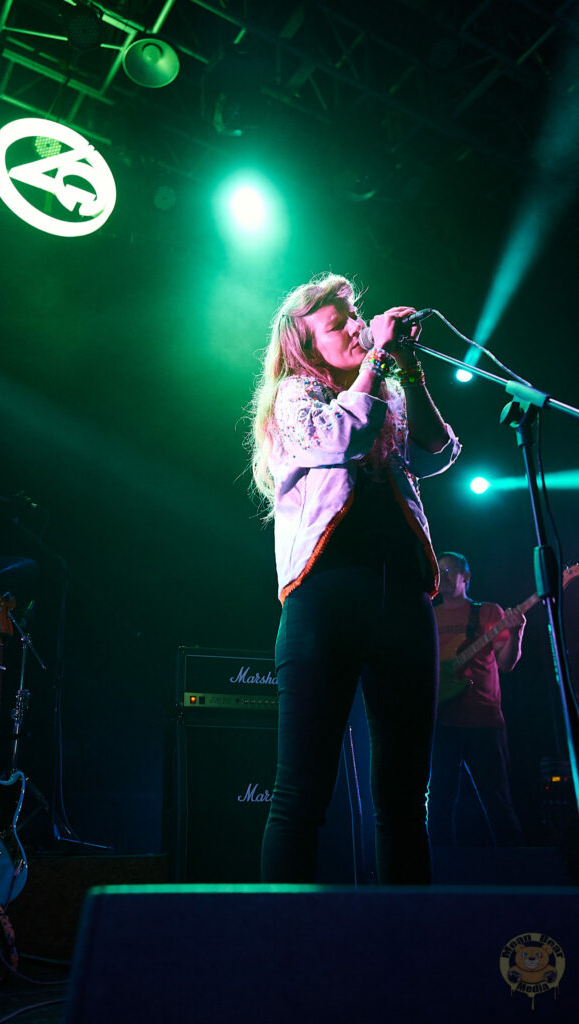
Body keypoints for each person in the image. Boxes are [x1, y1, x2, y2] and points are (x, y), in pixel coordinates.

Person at [249, 272, 461, 884]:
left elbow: (440, 448)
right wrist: (373, 362)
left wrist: (409, 367)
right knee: (301, 796)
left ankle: (405, 952)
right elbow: (337, 437)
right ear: (304, 342)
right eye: (335, 323)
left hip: (402, 599)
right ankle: (283, 951)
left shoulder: (384, 393)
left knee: (404, 802)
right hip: (326, 598)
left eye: (353, 317)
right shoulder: (296, 397)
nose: (352, 327)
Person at [428, 551, 525, 847]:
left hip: (484, 721)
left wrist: (517, 632)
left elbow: (507, 664)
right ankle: (440, 880)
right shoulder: (429, 615)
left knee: (498, 804)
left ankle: (515, 877)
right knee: (438, 806)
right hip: (441, 724)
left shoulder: (487, 612)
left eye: (448, 572)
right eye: (438, 572)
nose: (442, 578)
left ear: (466, 578)